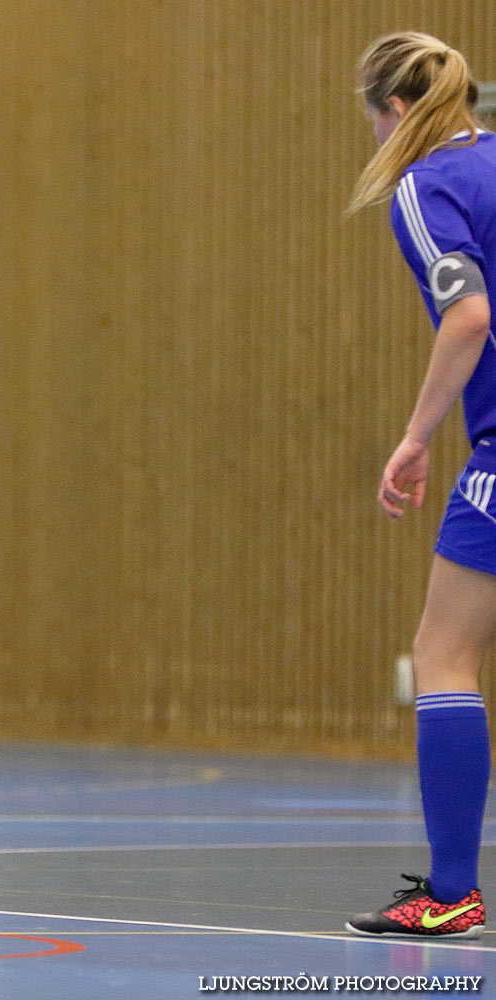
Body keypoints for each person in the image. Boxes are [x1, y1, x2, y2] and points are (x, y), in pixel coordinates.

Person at [345, 31, 493, 939]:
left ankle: (448, 892)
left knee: (444, 657)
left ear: (395, 112)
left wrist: (415, 434)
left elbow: (470, 312)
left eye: (370, 123)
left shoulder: (424, 185)